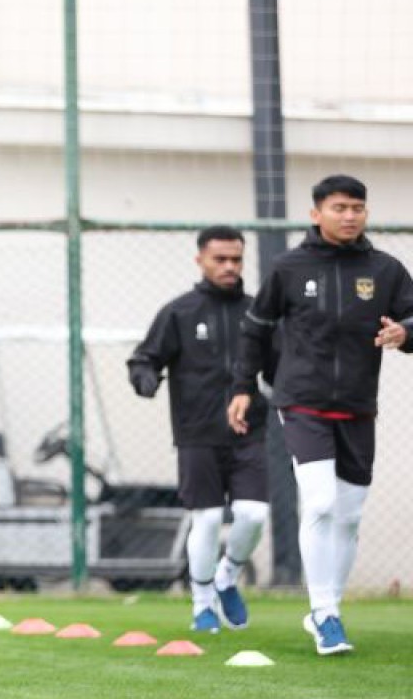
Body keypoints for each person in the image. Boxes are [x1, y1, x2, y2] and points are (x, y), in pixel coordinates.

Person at [228, 174, 413, 655]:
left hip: (357, 407)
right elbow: (255, 330)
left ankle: (326, 610)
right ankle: (325, 612)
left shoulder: (387, 270)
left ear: (365, 213)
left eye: (357, 207)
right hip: (302, 402)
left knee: (349, 518)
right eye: (339, 207)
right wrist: (244, 388)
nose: (349, 215)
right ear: (316, 214)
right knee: (322, 503)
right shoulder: (288, 268)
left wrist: (404, 333)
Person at [128, 226, 273, 634]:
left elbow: (281, 365)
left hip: (250, 431)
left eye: (236, 259)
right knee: (207, 520)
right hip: (197, 434)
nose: (229, 266)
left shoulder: (257, 313)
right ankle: (202, 603)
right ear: (201, 260)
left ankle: (228, 574)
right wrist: (147, 381)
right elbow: (143, 360)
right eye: (220, 259)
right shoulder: (179, 312)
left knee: (254, 514)